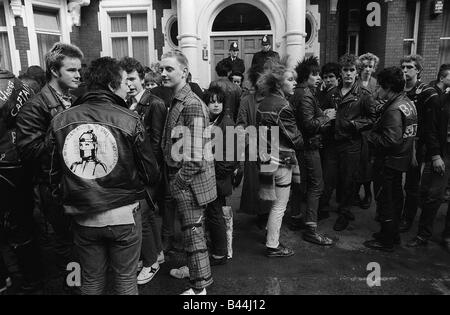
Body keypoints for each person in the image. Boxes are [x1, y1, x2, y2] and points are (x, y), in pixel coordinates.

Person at [48, 56, 160, 295]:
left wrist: (69, 200)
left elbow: (50, 174)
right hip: (124, 215)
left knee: (91, 281)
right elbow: (151, 173)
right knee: (126, 281)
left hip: (83, 216)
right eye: (123, 82)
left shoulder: (60, 120)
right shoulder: (129, 119)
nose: (128, 86)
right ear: (111, 85)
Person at [16, 42, 84, 272]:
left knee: (78, 242)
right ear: (54, 71)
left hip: (73, 183)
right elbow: (28, 151)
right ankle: (72, 286)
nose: (79, 75)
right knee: (64, 245)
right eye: (72, 70)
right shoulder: (35, 106)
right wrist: (61, 136)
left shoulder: (72, 100)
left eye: (79, 69)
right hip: (53, 189)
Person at [160, 50, 217, 295]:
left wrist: (178, 184)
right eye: (161, 69)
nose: (163, 73)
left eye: (169, 69)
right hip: (185, 181)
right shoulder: (179, 100)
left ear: (184, 72)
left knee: (194, 236)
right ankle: (194, 271)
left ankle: (199, 289)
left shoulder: (192, 104)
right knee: (192, 232)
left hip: (188, 182)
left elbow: (195, 157)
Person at [119, 57, 167, 285]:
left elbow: (157, 143)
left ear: (141, 78)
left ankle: (151, 263)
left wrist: (151, 174)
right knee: (146, 216)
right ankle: (156, 253)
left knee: (143, 216)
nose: (128, 83)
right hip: (135, 171)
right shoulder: (126, 102)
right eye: (125, 79)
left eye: (132, 78)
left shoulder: (154, 103)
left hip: (148, 172)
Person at [0, 59, 43, 293]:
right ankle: (33, 276)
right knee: (24, 221)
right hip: (23, 161)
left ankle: (8, 278)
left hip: (4, 165)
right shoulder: (23, 86)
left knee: (11, 225)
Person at [364, 67, 417, 252]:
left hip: (388, 162)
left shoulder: (393, 109)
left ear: (387, 87)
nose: (377, 90)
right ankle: (391, 234)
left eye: (379, 86)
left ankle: (386, 241)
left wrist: (371, 135)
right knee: (395, 198)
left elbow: (390, 140)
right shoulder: (407, 102)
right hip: (401, 160)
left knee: (386, 200)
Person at [322, 54, 377, 232]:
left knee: (348, 180)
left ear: (357, 72)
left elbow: (372, 118)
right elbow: (321, 113)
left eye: (351, 70)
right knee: (329, 177)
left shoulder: (363, 95)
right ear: (341, 72)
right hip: (332, 142)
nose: (348, 73)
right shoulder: (332, 93)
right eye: (345, 70)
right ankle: (322, 209)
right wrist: (325, 116)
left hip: (351, 144)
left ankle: (344, 213)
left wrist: (353, 124)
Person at [256, 61, 303, 257]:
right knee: (280, 204)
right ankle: (273, 245)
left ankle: (269, 231)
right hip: (281, 160)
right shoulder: (283, 106)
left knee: (273, 201)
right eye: (290, 80)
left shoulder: (264, 102)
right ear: (278, 84)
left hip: (266, 159)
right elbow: (295, 138)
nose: (294, 83)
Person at [290, 56, 335, 245]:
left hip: (301, 147)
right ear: (305, 76)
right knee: (317, 186)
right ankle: (311, 229)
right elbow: (308, 125)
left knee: (301, 184)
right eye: (314, 74)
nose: (319, 78)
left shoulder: (299, 92)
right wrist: (326, 117)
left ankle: (295, 218)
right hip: (309, 147)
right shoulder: (306, 94)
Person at [406, 64, 450, 251]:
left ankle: (447, 235)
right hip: (443, 153)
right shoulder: (443, 100)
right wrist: (436, 155)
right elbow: (431, 128)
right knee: (433, 195)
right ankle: (423, 234)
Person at [399, 55, 439, 233]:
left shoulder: (426, 92)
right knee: (392, 181)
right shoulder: (399, 89)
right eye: (403, 67)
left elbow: (430, 124)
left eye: (409, 67)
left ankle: (407, 218)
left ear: (418, 70)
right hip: (397, 141)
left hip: (416, 143)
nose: (405, 70)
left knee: (411, 184)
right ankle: (393, 212)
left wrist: (419, 147)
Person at [203, 86, 238, 265]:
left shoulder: (227, 123)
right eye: (212, 101)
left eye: (219, 101)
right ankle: (219, 248)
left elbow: (230, 159)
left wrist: (214, 175)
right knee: (214, 213)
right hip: (213, 177)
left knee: (215, 214)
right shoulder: (211, 121)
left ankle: (220, 253)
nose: (216, 105)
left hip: (217, 178)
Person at [235, 65, 267, 227]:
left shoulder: (274, 98)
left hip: (272, 147)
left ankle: (269, 214)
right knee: (255, 184)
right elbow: (240, 125)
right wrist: (249, 144)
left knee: (271, 184)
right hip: (254, 149)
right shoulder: (247, 100)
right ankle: (260, 214)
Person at [355, 53, 380, 210]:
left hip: (370, 129)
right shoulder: (355, 83)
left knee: (367, 163)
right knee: (356, 162)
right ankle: (355, 192)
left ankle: (368, 193)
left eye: (370, 66)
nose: (367, 69)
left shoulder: (376, 84)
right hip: (356, 127)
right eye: (364, 66)